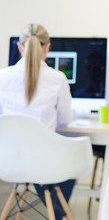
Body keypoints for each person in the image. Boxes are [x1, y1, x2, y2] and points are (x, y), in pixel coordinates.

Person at [0, 23, 73, 220]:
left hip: (9, 162)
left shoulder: (2, 77)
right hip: (44, 163)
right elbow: (66, 120)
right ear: (47, 47)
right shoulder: (58, 79)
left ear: (19, 46)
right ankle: (58, 216)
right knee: (68, 159)